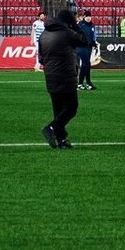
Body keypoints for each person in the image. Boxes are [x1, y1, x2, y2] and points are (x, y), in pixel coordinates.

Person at [39, 9, 88, 149]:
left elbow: (41, 59)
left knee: (58, 109)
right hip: (66, 75)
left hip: (50, 76)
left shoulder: (44, 34)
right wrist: (76, 25)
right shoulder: (66, 33)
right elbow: (85, 41)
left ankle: (61, 141)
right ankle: (51, 128)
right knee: (71, 107)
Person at [76, 10, 98, 90]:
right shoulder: (80, 25)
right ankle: (87, 83)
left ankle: (82, 83)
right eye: (87, 16)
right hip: (81, 47)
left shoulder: (92, 25)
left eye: (90, 16)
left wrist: (93, 43)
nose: (89, 18)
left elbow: (92, 36)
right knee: (86, 64)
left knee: (86, 65)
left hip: (88, 47)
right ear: (84, 16)